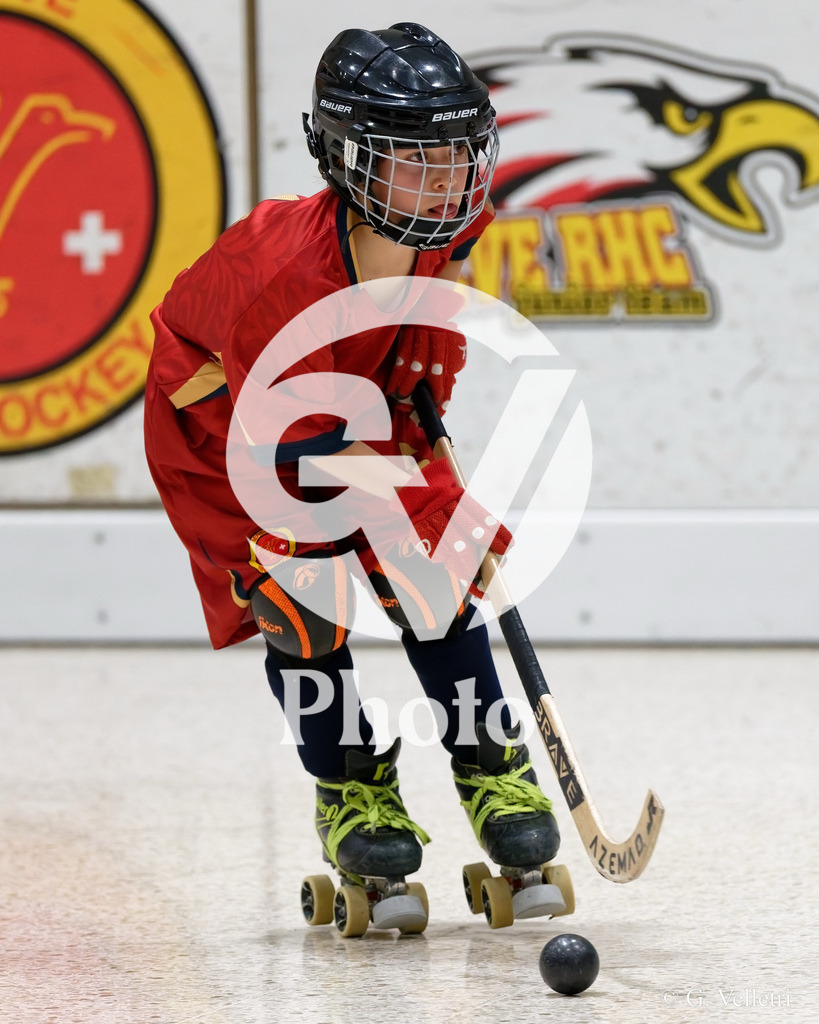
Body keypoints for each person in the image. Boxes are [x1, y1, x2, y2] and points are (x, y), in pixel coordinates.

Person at [144, 22, 559, 931]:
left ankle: (490, 763)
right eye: (417, 160)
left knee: (434, 566)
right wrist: (433, 495)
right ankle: (350, 789)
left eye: (459, 154)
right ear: (348, 162)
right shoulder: (279, 280)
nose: (448, 179)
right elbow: (299, 454)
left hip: (349, 401)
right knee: (303, 595)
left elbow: (415, 376)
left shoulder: (442, 229)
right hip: (227, 427)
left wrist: (443, 503)